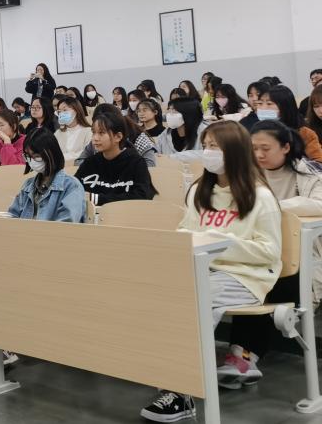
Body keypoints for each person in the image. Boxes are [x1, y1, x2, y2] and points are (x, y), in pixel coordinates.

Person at [139, 121, 281, 423]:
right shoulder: (199, 191)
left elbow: (270, 252)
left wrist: (219, 243)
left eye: (215, 146)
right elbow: (186, 231)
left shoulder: (260, 197)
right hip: (201, 269)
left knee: (192, 303)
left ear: (235, 151)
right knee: (157, 294)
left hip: (245, 276)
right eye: (205, 145)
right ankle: (163, 375)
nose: (208, 152)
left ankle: (180, 392)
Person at [0, 129, 85, 355]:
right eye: (28, 156)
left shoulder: (71, 186)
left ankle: (6, 341)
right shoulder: (28, 185)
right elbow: (13, 215)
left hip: (51, 255)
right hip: (22, 251)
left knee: (4, 279)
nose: (32, 161)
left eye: (36, 156)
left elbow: (64, 230)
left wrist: (29, 241)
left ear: (50, 154)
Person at [218, 121, 322, 389]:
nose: (259, 154)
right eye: (253, 148)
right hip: (257, 256)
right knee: (246, 279)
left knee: (264, 284)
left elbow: (318, 205)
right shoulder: (246, 175)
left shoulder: (310, 174)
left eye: (265, 148)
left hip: (301, 261)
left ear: (286, 147)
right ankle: (241, 359)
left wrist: (271, 206)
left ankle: (242, 357)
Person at [74, 109, 156, 205]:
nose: (95, 138)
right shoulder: (90, 163)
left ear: (118, 137)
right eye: (93, 132)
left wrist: (97, 199)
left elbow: (143, 196)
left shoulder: (136, 163)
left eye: (101, 133)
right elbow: (73, 190)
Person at [75, 104, 157, 169]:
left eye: (102, 132)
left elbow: (150, 164)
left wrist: (118, 167)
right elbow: (79, 161)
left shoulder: (137, 136)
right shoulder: (97, 140)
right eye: (95, 131)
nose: (96, 137)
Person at [257, 84, 322, 161]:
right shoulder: (256, 132)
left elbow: (318, 161)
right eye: (260, 103)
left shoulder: (304, 133)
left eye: (269, 104)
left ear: (284, 106)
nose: (263, 108)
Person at [54, 96, 92, 161]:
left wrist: (63, 157)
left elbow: (87, 154)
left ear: (76, 110)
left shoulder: (88, 131)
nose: (61, 114)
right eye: (59, 112)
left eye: (65, 110)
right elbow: (53, 154)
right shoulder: (58, 133)